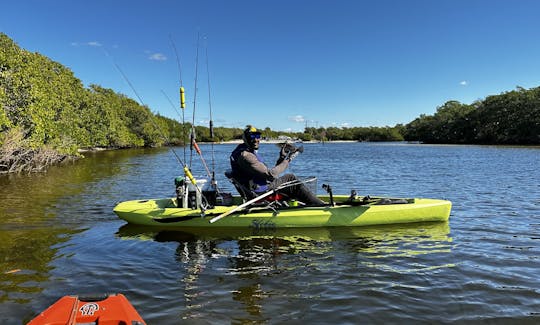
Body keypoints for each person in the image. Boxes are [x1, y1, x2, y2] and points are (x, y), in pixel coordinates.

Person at [229, 125, 326, 206]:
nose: (256, 139)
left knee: (288, 183)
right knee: (290, 178)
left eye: (257, 136)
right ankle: (320, 206)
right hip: (260, 192)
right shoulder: (246, 156)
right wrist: (289, 159)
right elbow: (271, 174)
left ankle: (309, 202)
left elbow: (270, 175)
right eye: (252, 136)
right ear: (245, 138)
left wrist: (282, 157)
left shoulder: (243, 151)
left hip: (258, 187)